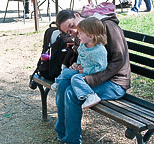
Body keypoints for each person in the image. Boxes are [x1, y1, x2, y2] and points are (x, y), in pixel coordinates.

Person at [55, 10, 131, 144]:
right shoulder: (82, 35)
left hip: (115, 82)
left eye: (72, 25)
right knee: (62, 84)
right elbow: (85, 58)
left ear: (77, 15)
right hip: (91, 76)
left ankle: (72, 140)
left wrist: (91, 79)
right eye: (68, 32)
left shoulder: (107, 26)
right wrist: (76, 66)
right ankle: (62, 131)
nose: (72, 31)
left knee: (71, 92)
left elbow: (119, 60)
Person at [51, 17, 108, 109]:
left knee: (75, 78)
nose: (78, 36)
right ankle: (58, 82)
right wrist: (77, 65)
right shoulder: (83, 45)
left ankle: (90, 95)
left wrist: (85, 70)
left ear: (91, 36)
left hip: (91, 74)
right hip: (82, 70)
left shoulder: (99, 51)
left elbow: (100, 68)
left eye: (80, 33)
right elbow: (81, 56)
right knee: (66, 71)